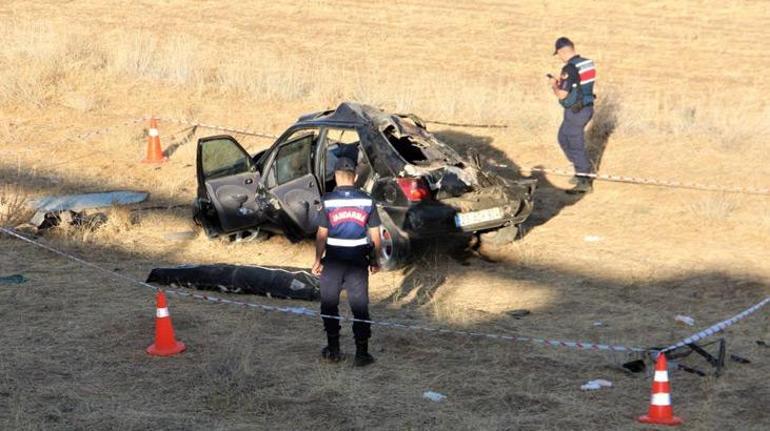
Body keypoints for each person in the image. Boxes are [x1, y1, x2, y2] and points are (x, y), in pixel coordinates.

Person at [312, 157, 382, 367]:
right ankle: (362, 353)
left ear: (335, 176)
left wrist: (317, 259)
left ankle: (333, 350)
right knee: (359, 306)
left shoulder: (327, 200)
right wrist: (375, 260)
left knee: (329, 303)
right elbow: (376, 236)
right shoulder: (368, 201)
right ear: (356, 177)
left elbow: (321, 235)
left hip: (333, 261)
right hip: (358, 261)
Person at [549, 37, 596, 194]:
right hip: (585, 108)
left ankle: (584, 181)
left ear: (562, 51)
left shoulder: (569, 69)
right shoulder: (587, 63)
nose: (560, 57)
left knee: (574, 143)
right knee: (563, 137)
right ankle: (579, 169)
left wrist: (554, 85)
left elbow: (562, 95)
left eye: (559, 54)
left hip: (577, 111)